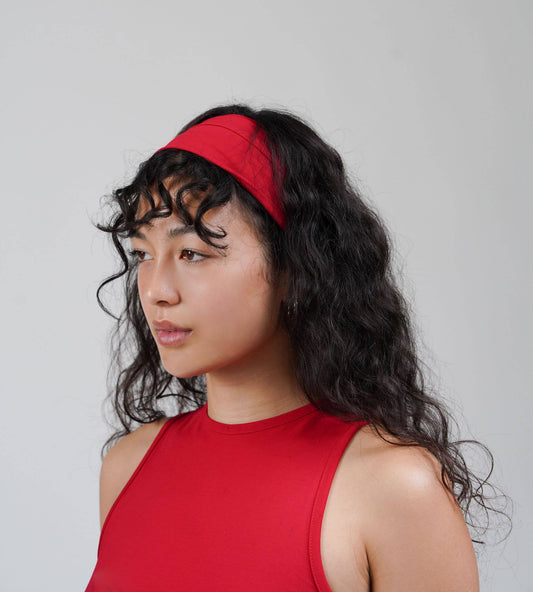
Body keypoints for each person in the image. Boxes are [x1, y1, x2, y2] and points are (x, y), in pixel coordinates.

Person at [85, 103, 508, 592]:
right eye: (142, 254)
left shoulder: (393, 487)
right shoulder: (128, 467)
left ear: (295, 268)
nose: (156, 290)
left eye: (193, 253)